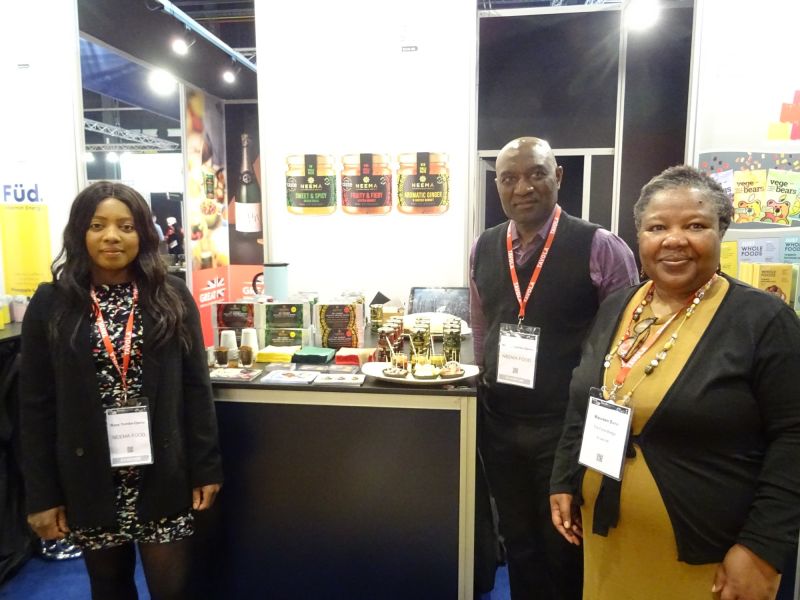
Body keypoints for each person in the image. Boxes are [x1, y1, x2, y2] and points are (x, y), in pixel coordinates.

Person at [550, 165, 800, 599]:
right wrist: (565, 477)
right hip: (609, 542)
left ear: (721, 231)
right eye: (657, 227)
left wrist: (763, 547)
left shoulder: (763, 320)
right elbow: (584, 402)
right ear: (639, 237)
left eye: (696, 226)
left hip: (707, 557)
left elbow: (793, 437)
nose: (674, 239)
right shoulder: (617, 307)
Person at [19, 181, 223, 599]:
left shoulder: (171, 295)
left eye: (125, 227)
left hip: (163, 471)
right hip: (90, 474)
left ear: (142, 234)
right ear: (80, 232)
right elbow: (36, 406)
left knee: (173, 590)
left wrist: (206, 468)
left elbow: (195, 388)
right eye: (98, 225)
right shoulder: (51, 303)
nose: (111, 236)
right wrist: (41, 495)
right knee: (109, 587)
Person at [470, 136, 638, 599]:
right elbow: (483, 327)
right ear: (497, 185)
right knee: (519, 542)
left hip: (567, 428)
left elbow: (626, 343)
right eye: (509, 178)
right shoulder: (484, 247)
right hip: (502, 422)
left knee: (565, 544)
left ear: (558, 177)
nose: (522, 187)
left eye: (536, 174)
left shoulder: (600, 246)